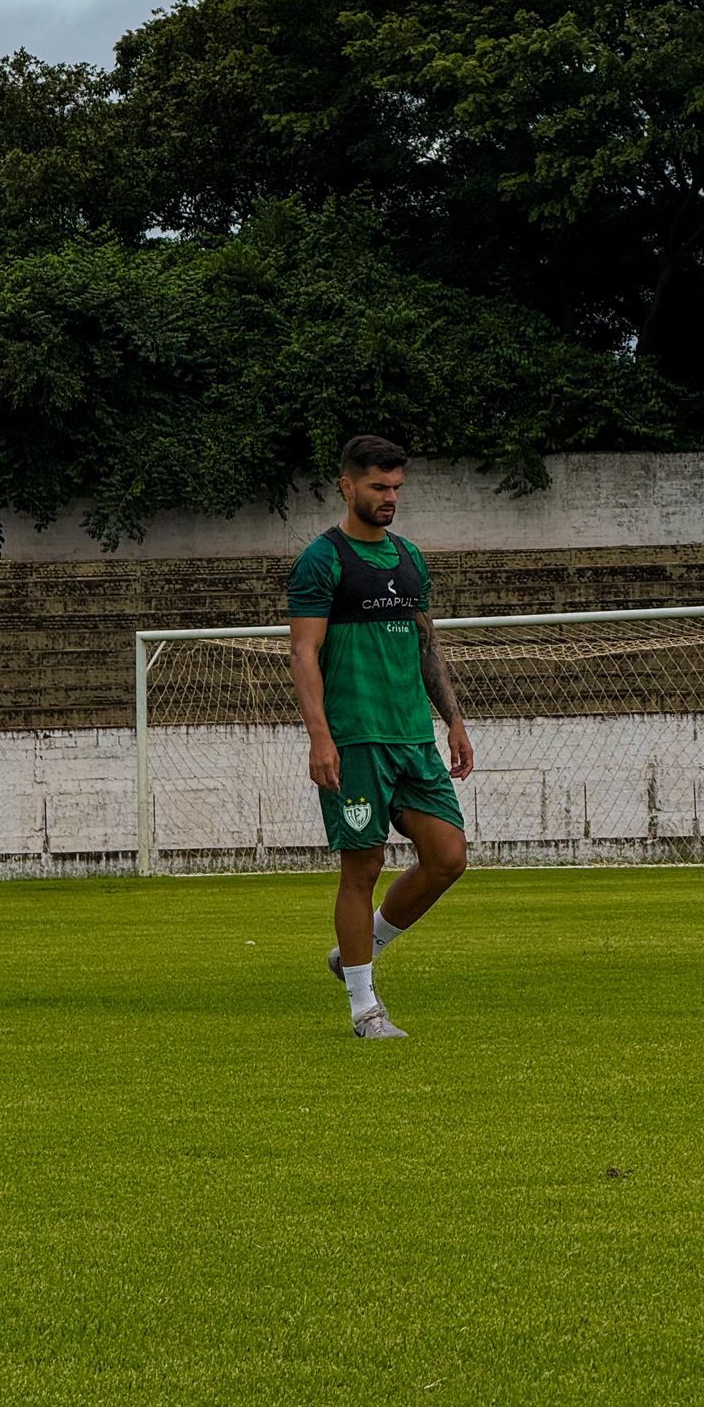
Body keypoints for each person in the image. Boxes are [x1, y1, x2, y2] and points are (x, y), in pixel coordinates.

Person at [288, 435, 474, 1038]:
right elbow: (303, 652)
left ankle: (356, 951)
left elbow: (425, 644)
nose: (390, 497)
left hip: (412, 737)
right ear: (347, 486)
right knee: (362, 868)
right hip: (356, 738)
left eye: (396, 487)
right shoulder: (324, 561)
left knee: (448, 858)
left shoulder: (410, 559)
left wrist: (452, 719)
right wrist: (321, 738)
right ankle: (364, 1008)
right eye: (378, 487)